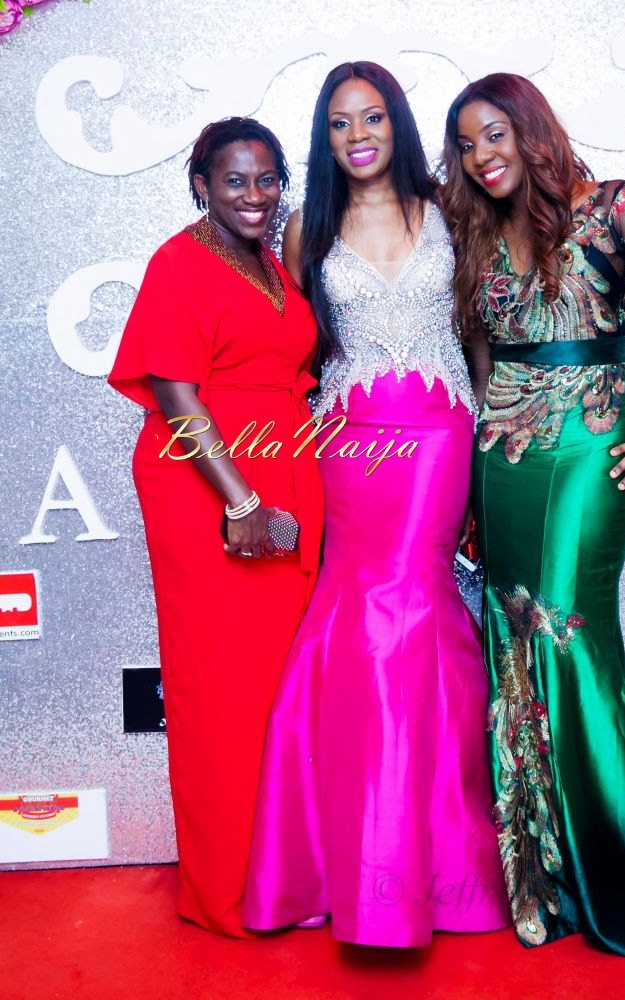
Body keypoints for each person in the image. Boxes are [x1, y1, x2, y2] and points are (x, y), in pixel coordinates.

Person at [440, 73, 625, 956]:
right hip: (504, 455)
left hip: (593, 444)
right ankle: (542, 868)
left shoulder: (614, 206)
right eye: (466, 145)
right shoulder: (475, 234)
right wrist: (477, 483)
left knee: (567, 632)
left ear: (531, 129)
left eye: (494, 135)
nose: (482, 156)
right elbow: (483, 369)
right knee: (511, 644)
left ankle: (616, 859)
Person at [243, 62, 509, 946]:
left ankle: (441, 868)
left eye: (372, 118)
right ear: (326, 139)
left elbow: (477, 331)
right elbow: (293, 344)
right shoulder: (305, 229)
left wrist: (495, 436)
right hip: (351, 439)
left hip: (441, 432)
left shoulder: (448, 209)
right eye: (339, 123)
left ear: (397, 123)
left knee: (418, 604)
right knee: (357, 610)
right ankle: (344, 861)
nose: (357, 136)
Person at [108, 117, 324, 937]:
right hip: (209, 482)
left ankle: (283, 878)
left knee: (277, 691)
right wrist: (240, 503)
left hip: (280, 468)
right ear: (202, 184)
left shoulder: (268, 262)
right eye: (235, 180)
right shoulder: (179, 260)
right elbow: (174, 391)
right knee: (223, 692)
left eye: (268, 179)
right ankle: (227, 893)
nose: (255, 195)